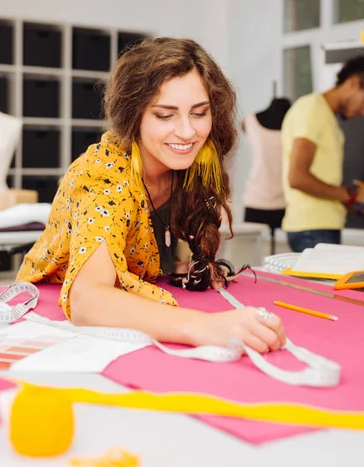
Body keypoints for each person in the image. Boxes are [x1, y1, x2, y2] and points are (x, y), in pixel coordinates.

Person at [17, 38, 285, 354]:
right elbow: (87, 300)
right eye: (164, 115)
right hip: (48, 320)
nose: (187, 132)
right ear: (134, 117)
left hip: (131, 314)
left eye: (199, 113)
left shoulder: (195, 161)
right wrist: (203, 326)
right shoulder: (106, 175)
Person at [282, 55, 364, 253]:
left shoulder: (329, 119)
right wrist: (353, 195)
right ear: (354, 83)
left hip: (320, 228)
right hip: (311, 229)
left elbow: (322, 186)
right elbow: (297, 177)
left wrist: (362, 200)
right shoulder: (312, 108)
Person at [243, 98, 291, 254]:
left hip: (288, 202)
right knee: (253, 256)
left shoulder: (297, 124)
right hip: (257, 201)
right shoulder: (250, 121)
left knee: (285, 258)